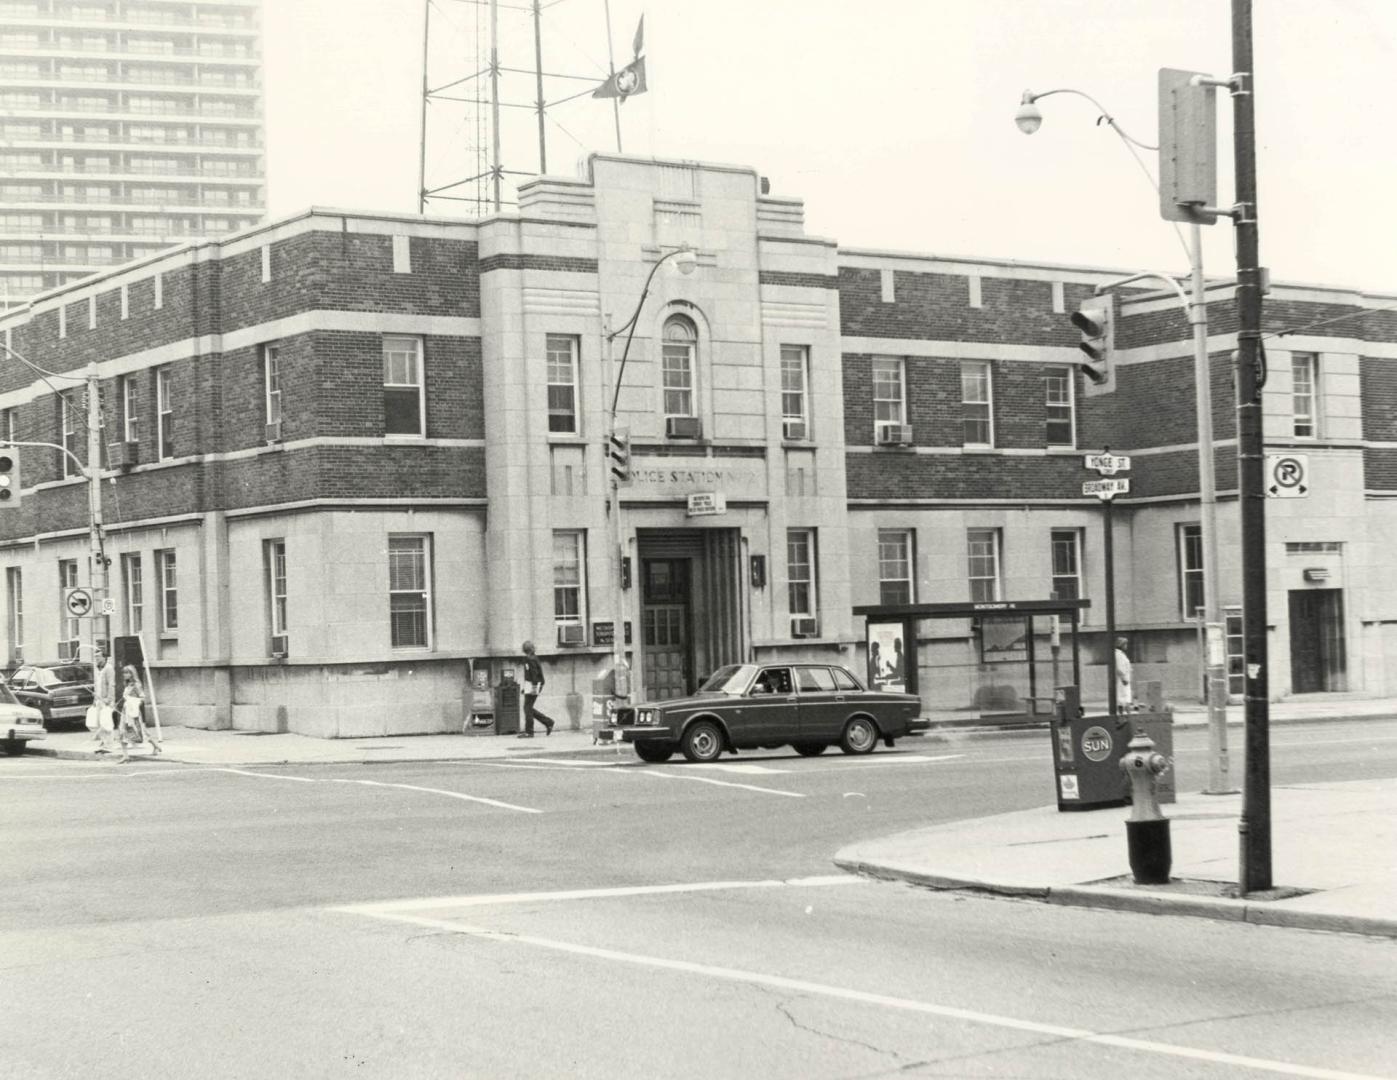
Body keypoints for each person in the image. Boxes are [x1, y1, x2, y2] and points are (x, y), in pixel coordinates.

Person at [117, 663, 161, 762]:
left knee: (140, 731)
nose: (125, 675)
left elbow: (142, 697)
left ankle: (155, 746)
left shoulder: (136, 685)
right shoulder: (127, 685)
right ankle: (125, 755)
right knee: (122, 731)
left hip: (133, 712)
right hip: (126, 711)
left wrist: (133, 702)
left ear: (132, 674)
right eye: (124, 673)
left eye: (127, 673)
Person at [518, 641, 555, 738]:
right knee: (528, 708)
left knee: (527, 708)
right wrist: (526, 688)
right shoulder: (533, 658)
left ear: (525, 649)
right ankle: (548, 722)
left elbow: (534, 674)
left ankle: (529, 732)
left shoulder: (529, 659)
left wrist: (531, 688)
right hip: (533, 684)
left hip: (534, 684)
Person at [91, 646, 117, 755]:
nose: (96, 658)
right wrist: (94, 698)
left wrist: (109, 699)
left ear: (104, 657)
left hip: (106, 700)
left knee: (106, 723)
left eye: (98, 656)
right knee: (98, 723)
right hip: (98, 700)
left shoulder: (109, 668)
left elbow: (112, 684)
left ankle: (109, 745)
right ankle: (103, 743)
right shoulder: (96, 668)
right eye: (95, 656)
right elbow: (96, 684)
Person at [1114, 636, 1134, 710]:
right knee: (1125, 699)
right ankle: (1127, 717)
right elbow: (1119, 667)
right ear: (1121, 645)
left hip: (1124, 678)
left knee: (1123, 699)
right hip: (1123, 679)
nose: (1126, 646)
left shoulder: (1120, 654)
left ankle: (1124, 716)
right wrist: (1123, 678)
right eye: (1125, 644)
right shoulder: (1118, 655)